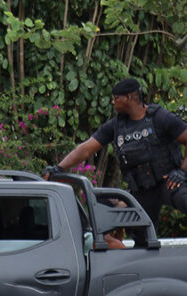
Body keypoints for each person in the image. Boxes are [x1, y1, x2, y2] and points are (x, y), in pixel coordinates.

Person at [48, 78, 187, 242]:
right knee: (141, 241)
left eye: (116, 98)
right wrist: (59, 168)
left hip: (169, 181)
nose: (113, 102)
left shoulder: (161, 118)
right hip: (142, 191)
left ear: (129, 98)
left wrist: (182, 171)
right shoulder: (116, 126)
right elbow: (86, 149)